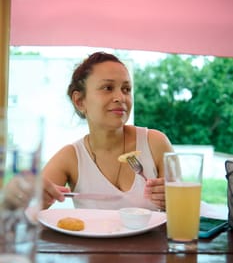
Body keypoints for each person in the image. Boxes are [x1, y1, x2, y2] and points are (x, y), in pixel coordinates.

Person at [42, 52, 174, 211]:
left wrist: (174, 201)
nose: (120, 97)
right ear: (79, 101)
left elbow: (187, 212)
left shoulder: (156, 143)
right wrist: (36, 199)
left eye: (126, 89)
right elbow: (26, 212)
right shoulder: (70, 157)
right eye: (107, 88)